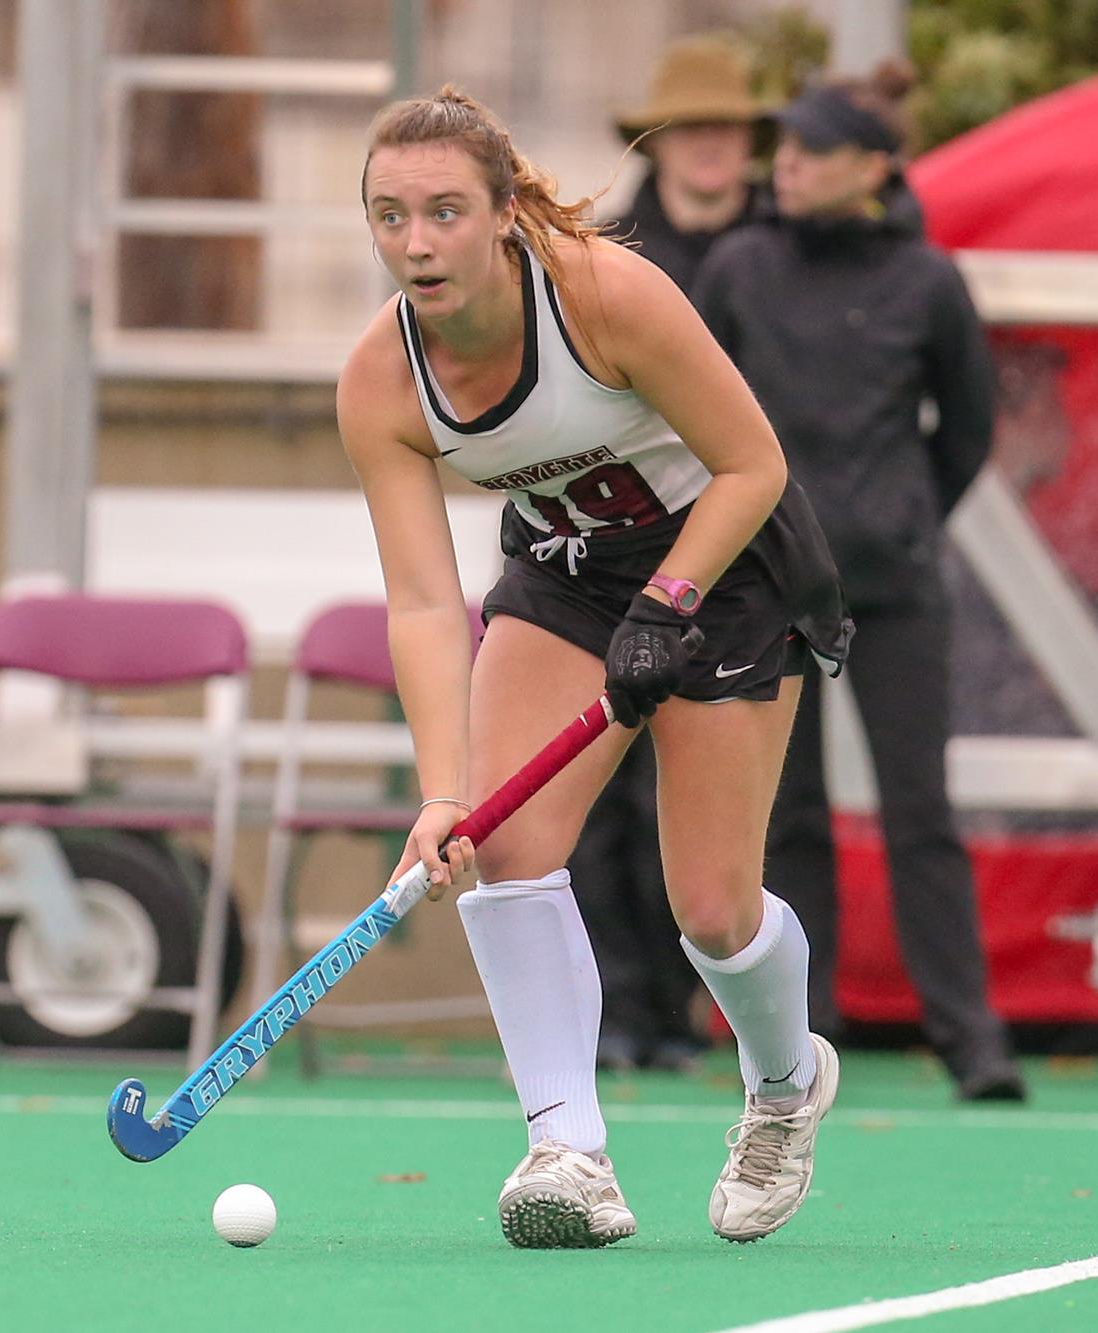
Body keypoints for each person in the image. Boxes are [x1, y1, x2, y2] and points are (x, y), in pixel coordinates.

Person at [341, 88, 853, 1248]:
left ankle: (781, 1084)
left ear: (505, 212)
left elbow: (748, 463)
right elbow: (424, 601)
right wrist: (439, 793)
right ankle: (565, 1150)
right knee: (503, 847)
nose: (414, 244)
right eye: (387, 216)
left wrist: (669, 602)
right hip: (566, 573)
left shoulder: (604, 295)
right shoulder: (379, 379)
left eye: (442, 212)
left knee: (712, 911)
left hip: (719, 568)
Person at [694, 63, 1027, 1102]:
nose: (782, 164)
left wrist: (895, 518)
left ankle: (970, 1041)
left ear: (872, 167)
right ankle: (795, 1040)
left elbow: (966, 429)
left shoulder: (927, 280)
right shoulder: (740, 267)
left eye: (809, 148)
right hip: (764, 585)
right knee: (780, 820)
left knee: (917, 809)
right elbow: (692, 412)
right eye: (781, 146)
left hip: (892, 586)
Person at [574, 34, 771, 1073]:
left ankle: (726, 1015)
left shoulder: (784, 249)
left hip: (738, 557)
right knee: (596, 794)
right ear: (660, 141)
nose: (709, 147)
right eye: (690, 128)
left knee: (707, 798)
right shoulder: (606, 256)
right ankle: (618, 1012)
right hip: (614, 549)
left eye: (725, 129)